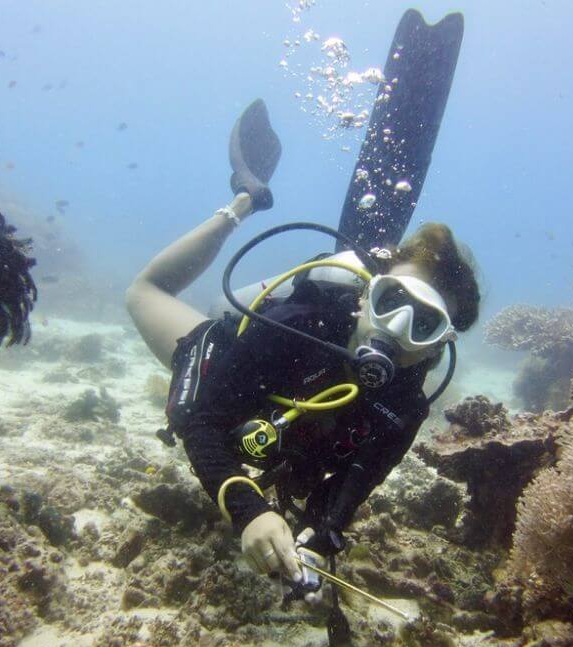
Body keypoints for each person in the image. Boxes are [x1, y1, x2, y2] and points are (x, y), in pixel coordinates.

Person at [127, 10, 474, 601]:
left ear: (442, 343)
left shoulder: (402, 408)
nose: (395, 331)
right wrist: (247, 508)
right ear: (367, 293)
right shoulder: (300, 324)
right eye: (390, 301)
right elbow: (202, 419)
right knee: (145, 294)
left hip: (272, 417)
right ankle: (242, 200)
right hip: (225, 365)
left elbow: (344, 498)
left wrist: (316, 541)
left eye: (424, 323)